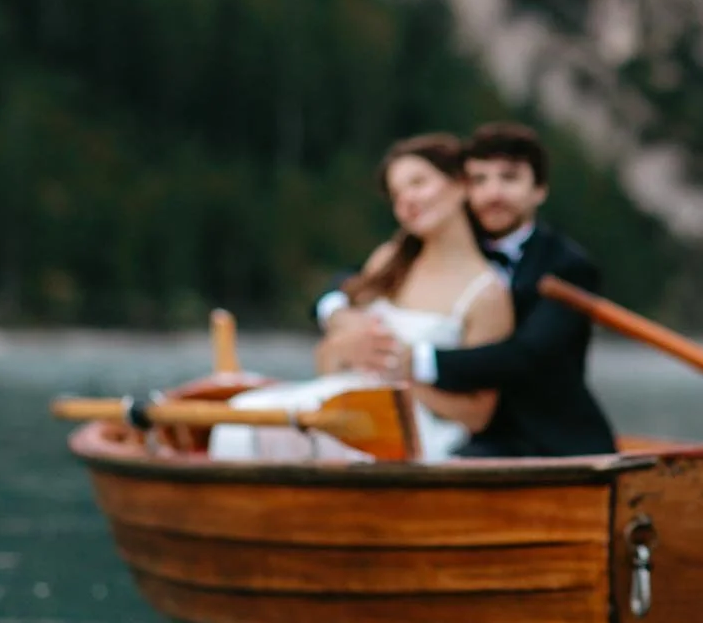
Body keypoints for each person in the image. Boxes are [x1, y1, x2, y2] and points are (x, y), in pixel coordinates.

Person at [321, 122, 616, 459]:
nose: (493, 194)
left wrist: (414, 360)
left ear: (540, 190)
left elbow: (526, 357)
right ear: (463, 186)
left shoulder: (567, 266)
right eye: (479, 180)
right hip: (466, 431)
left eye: (509, 178)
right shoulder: (452, 239)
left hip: (543, 437)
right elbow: (354, 277)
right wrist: (335, 311)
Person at [217, 134, 513, 464]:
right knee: (237, 416)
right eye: (397, 195)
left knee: (252, 425)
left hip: (414, 431)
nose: (407, 200)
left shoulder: (487, 293)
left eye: (418, 183)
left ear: (460, 184)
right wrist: (345, 343)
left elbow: (477, 416)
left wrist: (402, 383)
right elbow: (328, 363)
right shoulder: (388, 260)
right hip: (345, 403)